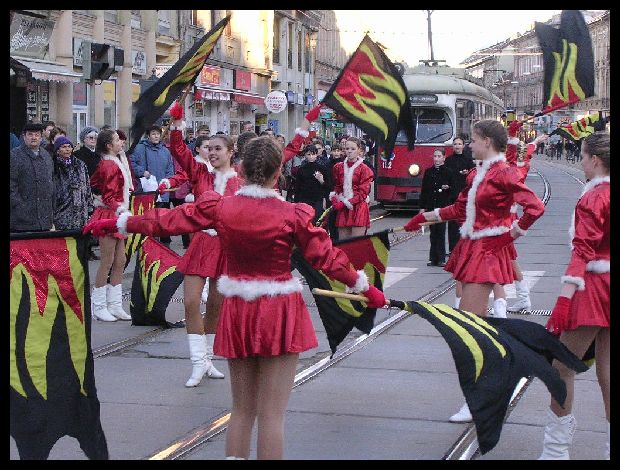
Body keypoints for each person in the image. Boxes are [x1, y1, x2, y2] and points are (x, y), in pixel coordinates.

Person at [83, 135, 386, 460]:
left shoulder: (221, 207)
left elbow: (167, 220)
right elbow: (328, 259)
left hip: (238, 309)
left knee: (241, 411)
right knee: (271, 416)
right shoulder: (292, 214)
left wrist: (121, 221)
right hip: (280, 311)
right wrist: (366, 288)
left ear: (240, 170)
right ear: (278, 173)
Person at [402, 120, 545, 423]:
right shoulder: (477, 173)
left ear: (488, 142)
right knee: (473, 328)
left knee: (468, 329)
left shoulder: (503, 172)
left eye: (474, 140)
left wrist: (509, 235)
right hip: (472, 247)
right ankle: (491, 387)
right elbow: (458, 209)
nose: (469, 145)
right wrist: (425, 217)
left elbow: (535, 207)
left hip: (486, 252)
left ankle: (481, 397)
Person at [158, 104, 241, 385]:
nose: (213, 152)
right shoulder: (200, 174)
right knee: (192, 302)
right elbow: (178, 149)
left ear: (230, 152)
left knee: (216, 305)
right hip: (202, 243)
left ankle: (208, 360)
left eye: (218, 149)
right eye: (209, 148)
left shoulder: (240, 182)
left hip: (227, 247)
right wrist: (176, 121)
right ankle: (197, 363)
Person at [539, 132, 610, 460]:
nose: (580, 162)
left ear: (595, 160)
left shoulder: (593, 197)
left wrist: (564, 299)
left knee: (561, 367)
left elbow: (582, 250)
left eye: (582, 156)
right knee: (607, 371)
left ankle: (556, 451)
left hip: (593, 287)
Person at [87, 129, 133, 322]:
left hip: (117, 213)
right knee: (107, 260)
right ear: (108, 145)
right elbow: (107, 195)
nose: (121, 142)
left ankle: (114, 304)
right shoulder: (108, 164)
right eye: (117, 140)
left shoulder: (116, 161)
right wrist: (120, 209)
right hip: (109, 214)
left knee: (120, 260)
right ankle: (98, 306)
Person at [131, 125, 175, 245]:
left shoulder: (165, 151)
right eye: (153, 134)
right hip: (147, 191)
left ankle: (165, 245)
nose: (156, 136)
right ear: (148, 135)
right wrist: (142, 172)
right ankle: (148, 244)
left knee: (164, 219)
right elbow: (131, 163)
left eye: (158, 134)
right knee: (149, 219)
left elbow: (170, 168)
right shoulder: (140, 148)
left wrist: (167, 181)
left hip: (162, 191)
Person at [10, 122, 55, 232]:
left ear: (41, 137)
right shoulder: (14, 155)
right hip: (21, 220)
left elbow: (52, 181)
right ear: (24, 136)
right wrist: (19, 206)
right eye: (30, 134)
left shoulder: (46, 155)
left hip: (45, 218)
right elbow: (11, 185)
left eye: (37, 135)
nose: (33, 137)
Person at [329, 136, 374, 240]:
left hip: (358, 207)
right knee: (343, 243)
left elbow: (363, 193)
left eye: (353, 149)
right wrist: (335, 197)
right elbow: (337, 186)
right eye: (347, 148)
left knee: (356, 243)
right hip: (343, 208)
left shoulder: (365, 169)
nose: (349, 151)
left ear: (359, 150)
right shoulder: (338, 167)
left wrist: (345, 203)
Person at [418, 148, 456, 267]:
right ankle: (433, 258)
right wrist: (422, 207)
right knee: (432, 232)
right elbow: (424, 190)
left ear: (444, 158)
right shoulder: (428, 172)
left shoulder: (448, 172)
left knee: (440, 231)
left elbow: (453, 190)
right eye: (435, 156)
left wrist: (448, 188)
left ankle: (441, 258)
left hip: (442, 206)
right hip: (431, 205)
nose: (436, 159)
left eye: (439, 156)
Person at [51, 136, 93, 230]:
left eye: (69, 146)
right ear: (57, 150)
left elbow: (87, 187)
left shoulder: (80, 164)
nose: (67, 149)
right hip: (62, 212)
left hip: (81, 213)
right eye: (64, 147)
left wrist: (90, 208)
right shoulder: (53, 166)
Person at [443, 136, 475, 254]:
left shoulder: (468, 160)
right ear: (453, 146)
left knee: (464, 222)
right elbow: (445, 176)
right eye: (455, 144)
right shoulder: (448, 160)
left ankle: (464, 248)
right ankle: (452, 248)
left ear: (463, 146)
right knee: (452, 223)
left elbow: (473, 176)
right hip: (451, 195)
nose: (457, 146)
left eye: (459, 144)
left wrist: (467, 173)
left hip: (465, 195)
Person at [293, 144, 330, 225]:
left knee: (316, 221)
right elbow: (297, 187)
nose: (311, 156)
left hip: (318, 199)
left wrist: (321, 181)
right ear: (305, 155)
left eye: (313, 154)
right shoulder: (301, 169)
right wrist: (296, 203)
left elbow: (328, 186)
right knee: (305, 222)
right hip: (304, 199)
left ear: (316, 154)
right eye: (308, 154)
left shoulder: (322, 168)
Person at [326, 143, 345, 240]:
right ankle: (333, 240)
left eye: (338, 151)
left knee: (341, 218)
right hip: (331, 194)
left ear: (341, 152)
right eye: (334, 151)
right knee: (332, 219)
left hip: (342, 195)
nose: (336, 153)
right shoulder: (328, 164)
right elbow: (327, 180)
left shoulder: (344, 163)